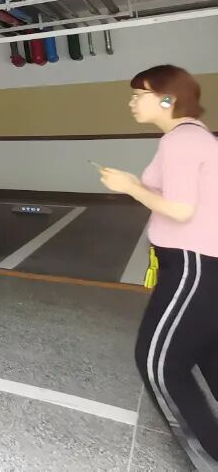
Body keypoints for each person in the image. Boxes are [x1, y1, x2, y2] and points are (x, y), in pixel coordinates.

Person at [98, 65, 218, 467]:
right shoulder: (193, 136)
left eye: (139, 94)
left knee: (159, 363)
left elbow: (181, 210)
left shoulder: (180, 141)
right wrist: (135, 184)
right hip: (203, 263)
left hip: (191, 265)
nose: (132, 102)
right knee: (208, 353)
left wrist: (131, 187)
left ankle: (211, 454)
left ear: (167, 99)